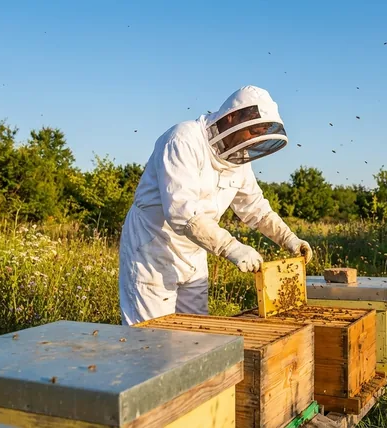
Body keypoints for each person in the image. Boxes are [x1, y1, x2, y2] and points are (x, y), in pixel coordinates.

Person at [118, 85, 313, 325]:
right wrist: (232, 247)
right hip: (152, 250)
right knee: (151, 340)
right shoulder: (184, 139)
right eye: (253, 132)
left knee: (196, 333)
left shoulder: (238, 161)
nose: (254, 141)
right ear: (232, 117)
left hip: (195, 252)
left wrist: (289, 239)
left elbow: (256, 208)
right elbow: (182, 213)